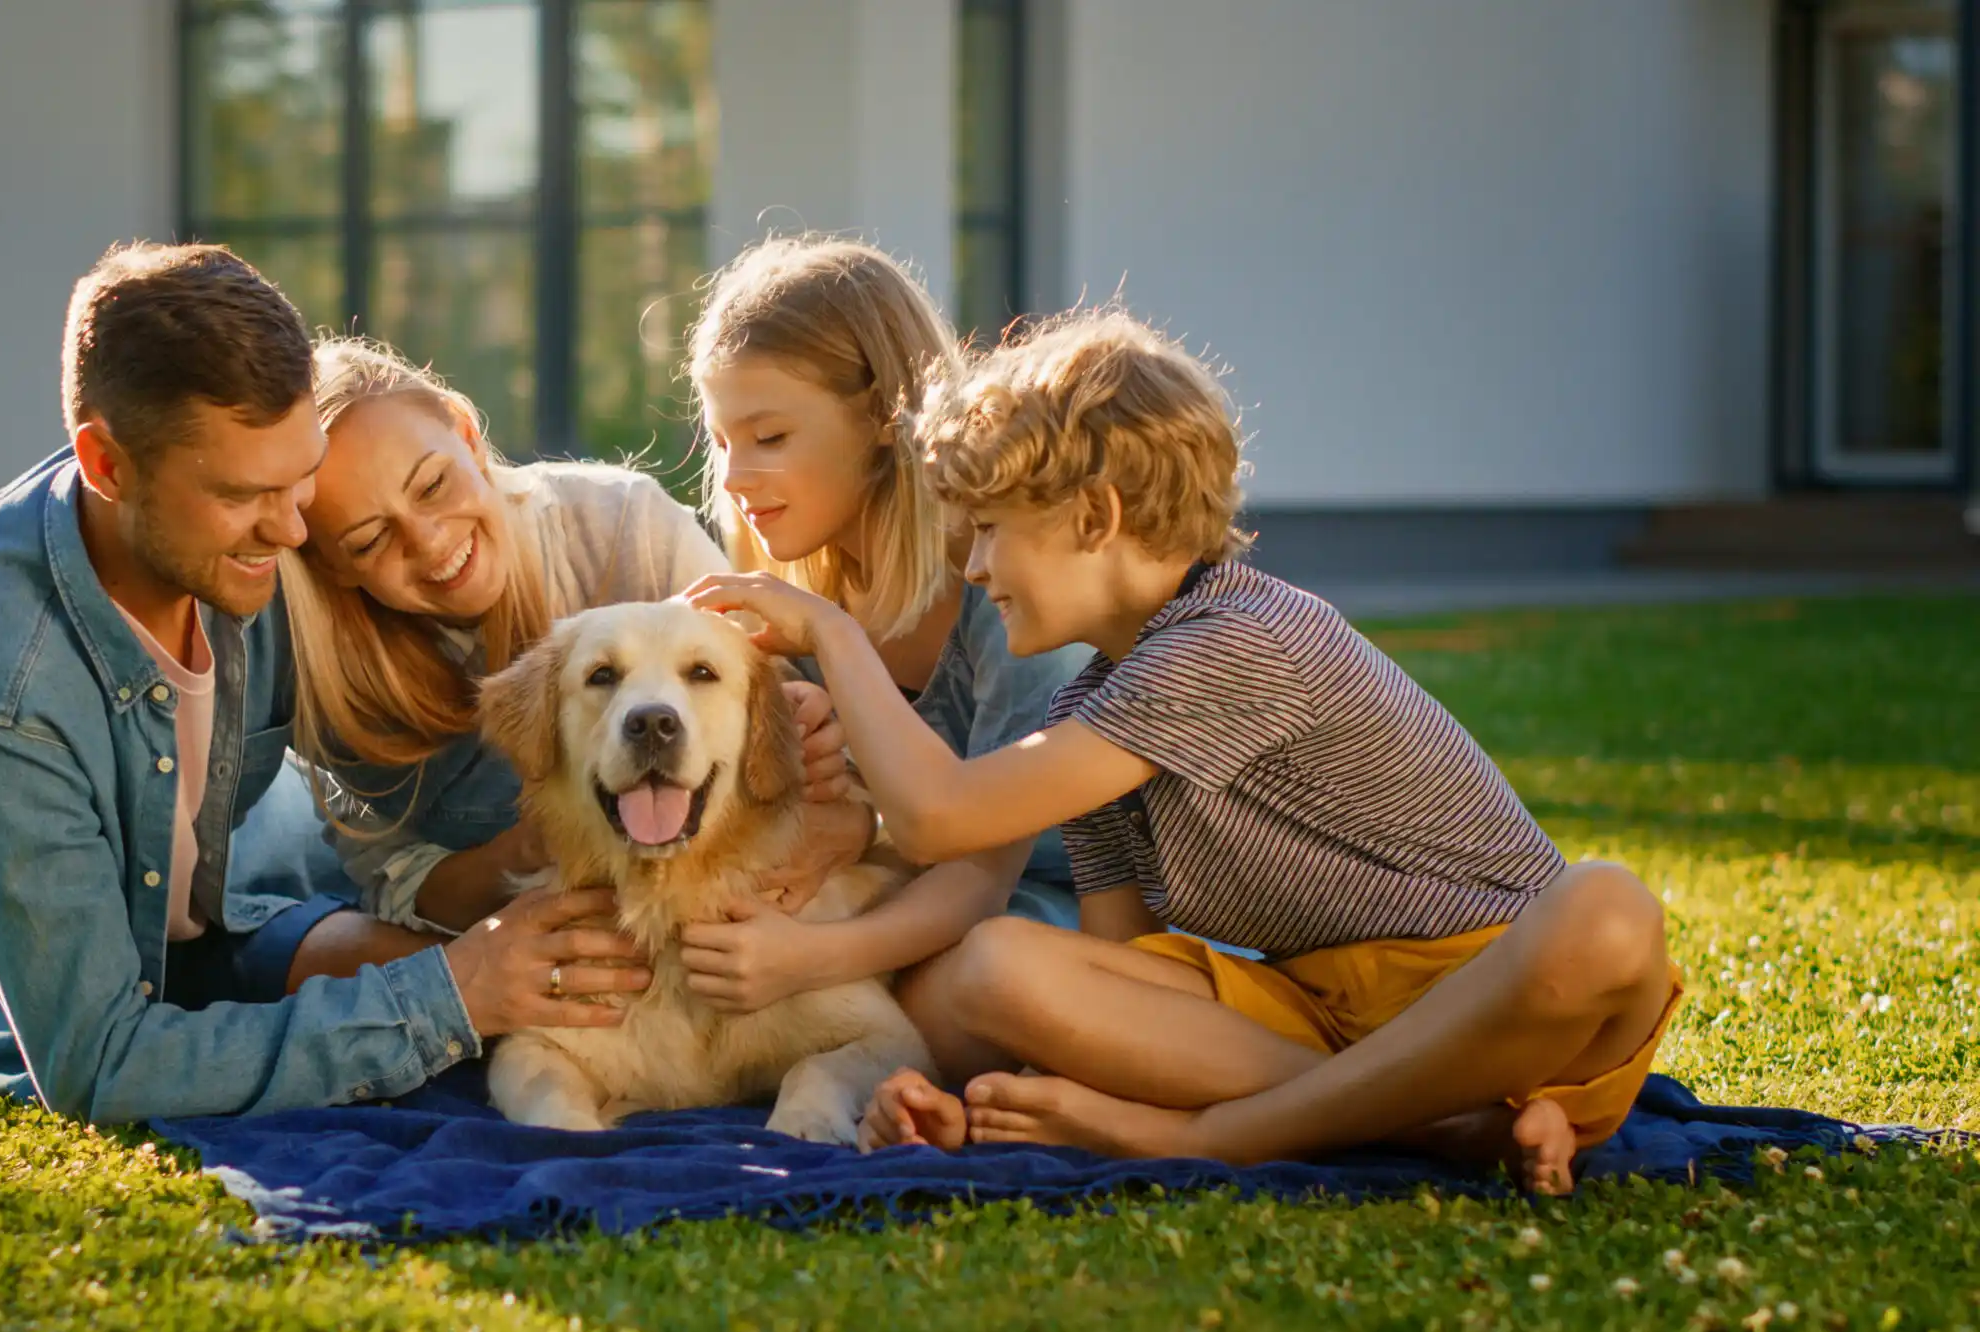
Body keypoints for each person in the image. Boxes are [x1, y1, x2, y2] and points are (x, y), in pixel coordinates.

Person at [686, 309, 1682, 1194]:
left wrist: (832, 635)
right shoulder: (1097, 699)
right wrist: (994, 1104)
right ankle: (1441, 1128)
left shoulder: (1233, 640)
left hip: (1499, 1005)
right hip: (1317, 1013)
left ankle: (1223, 1137)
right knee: (983, 971)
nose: (977, 567)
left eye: (990, 532)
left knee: (1604, 911)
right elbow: (1118, 962)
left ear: (1095, 517)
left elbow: (939, 815)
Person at [0, 243, 648, 1124]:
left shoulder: (256, 545)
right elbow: (99, 1063)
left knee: (567, 992)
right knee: (473, 1001)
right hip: (78, 1020)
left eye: (300, 478)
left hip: (228, 933)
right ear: (106, 464)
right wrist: (457, 993)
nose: (291, 531)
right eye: (246, 493)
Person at [277, 337, 865, 939]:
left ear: (467, 435)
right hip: (509, 941)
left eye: (433, 485)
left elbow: (815, 773)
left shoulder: (626, 526)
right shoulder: (330, 671)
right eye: (371, 539)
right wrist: (535, 846)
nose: (428, 542)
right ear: (332, 566)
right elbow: (392, 886)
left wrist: (833, 786)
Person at [673, 236, 1090, 1018]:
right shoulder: (805, 595)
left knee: (946, 996)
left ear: (884, 419)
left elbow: (980, 866)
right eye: (722, 441)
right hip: (923, 898)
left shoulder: (1006, 583)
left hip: (1065, 911)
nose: (732, 478)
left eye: (769, 438)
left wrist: (806, 962)